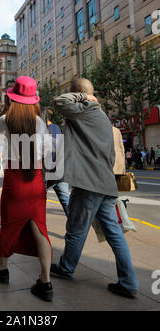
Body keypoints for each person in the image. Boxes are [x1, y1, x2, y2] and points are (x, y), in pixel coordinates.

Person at [51, 78, 139, 299]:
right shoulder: (101, 116)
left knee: (76, 229)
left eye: (74, 93)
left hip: (89, 184)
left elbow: (59, 101)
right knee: (115, 233)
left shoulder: (84, 109)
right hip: (105, 184)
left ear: (78, 95)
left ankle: (66, 268)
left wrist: (81, 97)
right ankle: (129, 282)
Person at [0, 76, 54, 302]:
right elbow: (46, 156)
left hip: (14, 180)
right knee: (41, 230)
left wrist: (5, 109)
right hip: (34, 178)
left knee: (8, 225)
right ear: (34, 100)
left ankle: (2, 270)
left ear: (12, 98)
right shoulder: (40, 123)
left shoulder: (4, 121)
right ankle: (45, 282)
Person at [43, 108, 69, 217]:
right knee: (66, 201)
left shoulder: (48, 129)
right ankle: (76, 230)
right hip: (59, 171)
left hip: (49, 173)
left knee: (38, 201)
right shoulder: (56, 128)